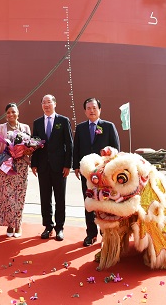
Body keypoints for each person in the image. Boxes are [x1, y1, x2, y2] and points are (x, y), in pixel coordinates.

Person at [73, 97, 120, 246]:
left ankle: (105, 233)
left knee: (105, 203)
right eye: (88, 108)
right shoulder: (80, 128)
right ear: (85, 111)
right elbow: (76, 148)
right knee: (89, 203)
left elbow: (116, 149)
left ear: (99, 109)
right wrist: (76, 166)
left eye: (94, 108)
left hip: (104, 174)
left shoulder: (109, 126)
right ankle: (91, 234)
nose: (91, 111)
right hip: (87, 173)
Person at [31, 94, 73, 241]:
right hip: (43, 166)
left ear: (55, 104)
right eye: (44, 102)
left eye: (49, 102)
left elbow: (69, 144)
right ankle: (48, 226)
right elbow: (34, 144)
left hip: (59, 167)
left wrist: (68, 165)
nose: (46, 105)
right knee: (45, 198)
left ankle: (59, 227)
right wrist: (34, 164)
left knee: (60, 198)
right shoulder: (37, 122)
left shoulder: (63, 121)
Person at [0, 103, 31, 238]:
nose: (11, 114)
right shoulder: (1, 128)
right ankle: (9, 224)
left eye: (13, 112)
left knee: (19, 195)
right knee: (7, 196)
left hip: (21, 166)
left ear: (18, 113)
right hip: (6, 165)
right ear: (6, 114)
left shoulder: (25, 127)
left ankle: (18, 224)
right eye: (8, 112)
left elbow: (29, 146)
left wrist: (23, 151)